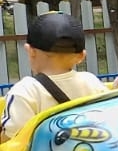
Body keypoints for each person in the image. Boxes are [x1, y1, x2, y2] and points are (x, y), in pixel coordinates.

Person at [1, 13, 107, 142]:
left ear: (30, 51)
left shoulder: (25, 91)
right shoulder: (91, 82)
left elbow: (13, 138)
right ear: (81, 56)